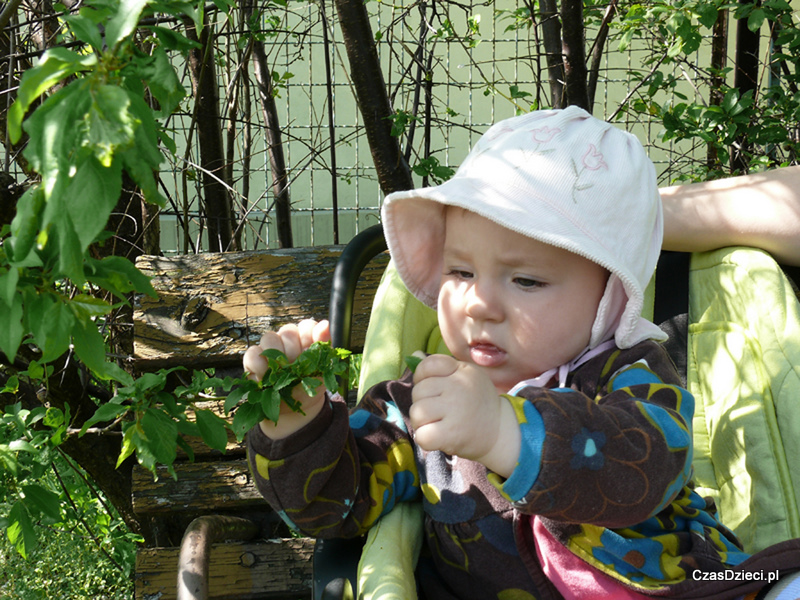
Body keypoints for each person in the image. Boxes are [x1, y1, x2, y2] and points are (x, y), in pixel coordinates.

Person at [244, 107, 800, 599]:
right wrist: (297, 423)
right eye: (460, 271)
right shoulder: (419, 402)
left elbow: (641, 474)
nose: (479, 303)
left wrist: (506, 433)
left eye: (527, 281)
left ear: (610, 297)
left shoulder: (632, 378)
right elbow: (334, 508)